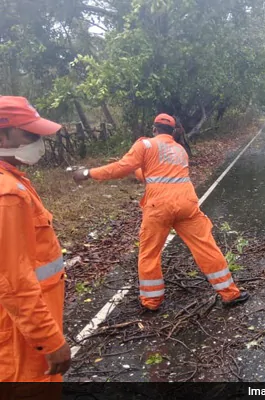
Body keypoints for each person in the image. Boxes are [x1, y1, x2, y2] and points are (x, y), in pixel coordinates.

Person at [72, 114, 249, 310]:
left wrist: (88, 173)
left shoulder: (145, 145)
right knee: (206, 247)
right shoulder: (180, 150)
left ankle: (151, 301)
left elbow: (120, 168)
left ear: (154, 128)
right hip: (187, 204)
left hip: (159, 207)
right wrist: (137, 171)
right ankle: (231, 294)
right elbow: (156, 174)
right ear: (172, 131)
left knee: (149, 253)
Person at [0, 96, 71, 381]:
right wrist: (49, 340)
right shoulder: (7, 194)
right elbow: (13, 280)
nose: (38, 141)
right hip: (22, 336)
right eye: (29, 133)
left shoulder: (13, 179)